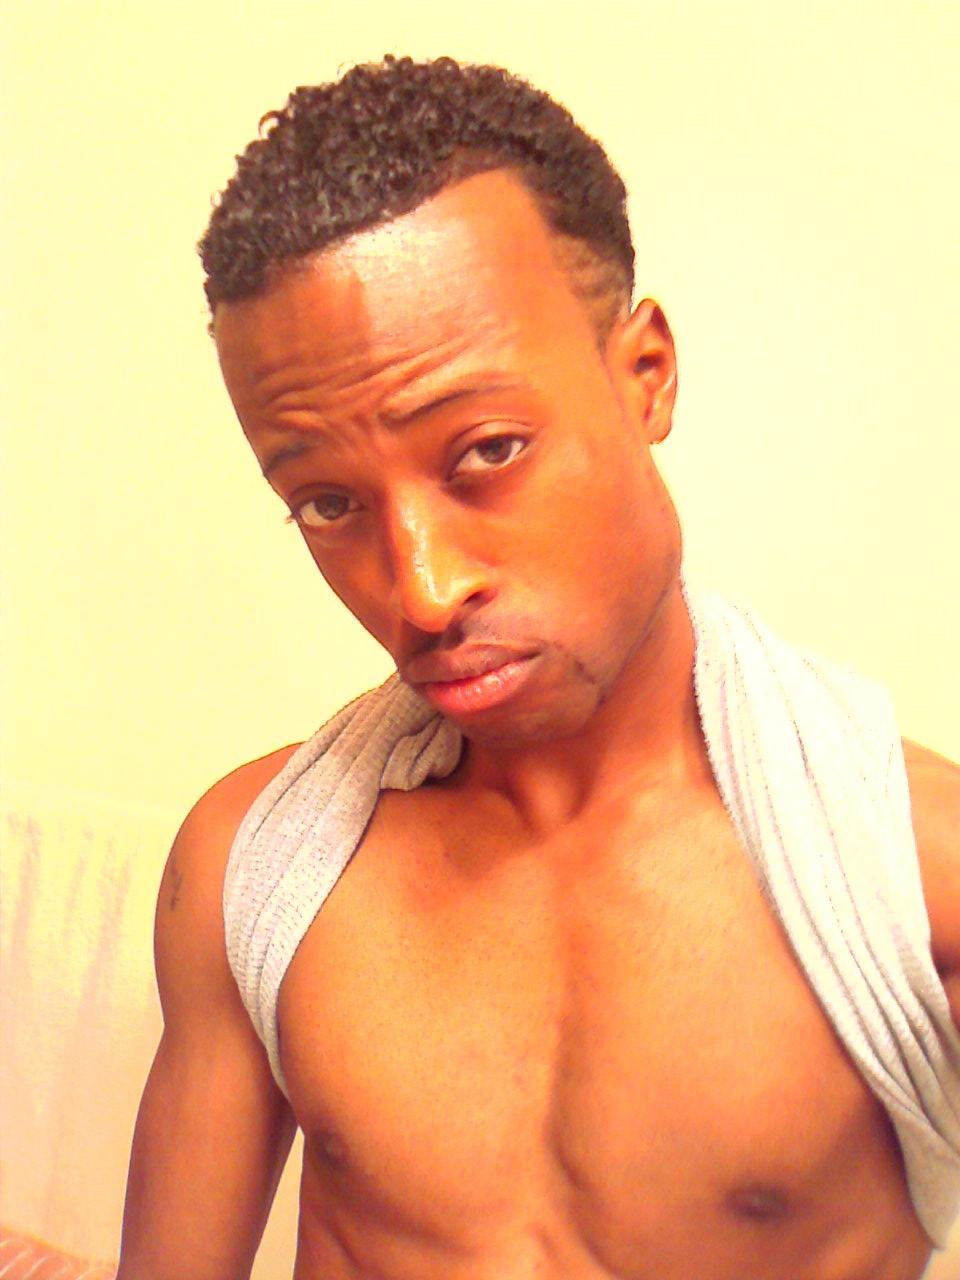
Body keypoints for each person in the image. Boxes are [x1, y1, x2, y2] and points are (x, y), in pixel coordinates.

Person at [118, 55, 960, 1280]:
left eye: (486, 451)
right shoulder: (252, 864)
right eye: (329, 503)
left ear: (645, 375)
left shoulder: (913, 883)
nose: (420, 588)